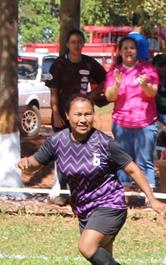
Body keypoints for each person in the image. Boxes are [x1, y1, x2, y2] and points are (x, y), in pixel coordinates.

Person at [16, 96, 166, 265]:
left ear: (94, 115)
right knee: (101, 262)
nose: (83, 119)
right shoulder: (57, 142)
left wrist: (152, 199)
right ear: (68, 116)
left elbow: (133, 169)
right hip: (84, 210)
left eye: (87, 114)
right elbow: (32, 165)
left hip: (110, 204)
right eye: (78, 114)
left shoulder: (104, 143)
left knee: (86, 246)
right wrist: (26, 165)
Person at [45, 28, 107, 206]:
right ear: (67, 45)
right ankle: (59, 189)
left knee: (81, 149)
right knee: (60, 150)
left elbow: (105, 78)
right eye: (73, 42)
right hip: (62, 115)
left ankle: (81, 190)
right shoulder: (58, 64)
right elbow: (53, 91)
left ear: (83, 44)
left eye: (79, 42)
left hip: (81, 116)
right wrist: (56, 112)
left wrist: (91, 95)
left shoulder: (89, 63)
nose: (76, 45)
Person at [105, 36, 159, 192]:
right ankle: (124, 195)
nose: (129, 51)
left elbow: (152, 93)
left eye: (132, 48)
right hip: (122, 124)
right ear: (120, 52)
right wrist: (116, 84)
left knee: (145, 160)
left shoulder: (147, 69)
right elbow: (110, 97)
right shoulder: (114, 72)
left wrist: (144, 85)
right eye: (125, 48)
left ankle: (149, 196)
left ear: (137, 51)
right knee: (123, 160)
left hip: (145, 123)